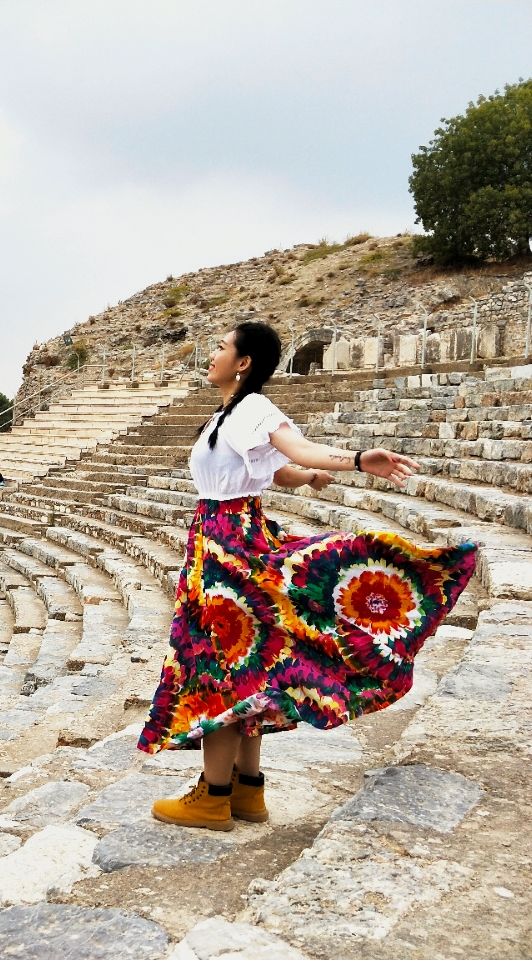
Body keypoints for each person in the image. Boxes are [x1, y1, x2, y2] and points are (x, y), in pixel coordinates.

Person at [139, 322, 477, 830]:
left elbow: (297, 449)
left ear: (244, 361)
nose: (212, 355)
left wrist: (358, 460)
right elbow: (279, 469)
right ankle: (247, 791)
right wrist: (310, 477)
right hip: (222, 540)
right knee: (248, 658)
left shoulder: (251, 407)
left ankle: (213, 796)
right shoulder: (231, 413)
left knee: (219, 663)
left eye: (222, 347)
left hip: (229, 544)